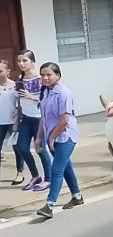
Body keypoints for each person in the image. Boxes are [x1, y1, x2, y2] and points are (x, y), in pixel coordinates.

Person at [35, 62, 83, 218]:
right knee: (66, 166)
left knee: (56, 169)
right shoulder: (45, 92)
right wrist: (38, 138)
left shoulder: (63, 93)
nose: (45, 78)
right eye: (42, 75)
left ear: (58, 75)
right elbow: (43, 118)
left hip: (65, 135)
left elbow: (64, 120)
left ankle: (49, 205)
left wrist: (51, 138)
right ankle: (77, 196)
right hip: (52, 137)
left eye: (49, 74)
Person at [13, 50, 51, 192]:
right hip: (26, 119)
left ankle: (48, 179)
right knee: (22, 147)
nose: (21, 64)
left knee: (41, 149)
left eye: (24, 60)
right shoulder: (19, 78)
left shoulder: (41, 78)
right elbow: (18, 100)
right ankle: (35, 176)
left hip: (39, 119)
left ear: (32, 61)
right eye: (19, 61)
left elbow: (47, 99)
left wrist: (31, 96)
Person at [0, 60, 23, 181]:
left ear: (8, 71)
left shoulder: (15, 86)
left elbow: (21, 103)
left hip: (13, 122)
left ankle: (20, 172)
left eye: (0, 71)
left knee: (17, 148)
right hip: (0, 123)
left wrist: (18, 114)